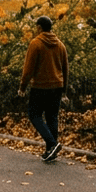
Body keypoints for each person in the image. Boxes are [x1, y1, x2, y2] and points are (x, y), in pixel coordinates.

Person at [18, 15, 69, 163]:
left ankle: (52, 144)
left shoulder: (36, 44)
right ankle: (50, 151)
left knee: (34, 115)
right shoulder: (60, 45)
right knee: (52, 116)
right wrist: (64, 90)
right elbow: (66, 69)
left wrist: (22, 87)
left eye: (36, 27)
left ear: (39, 27)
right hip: (57, 86)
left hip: (40, 86)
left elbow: (28, 69)